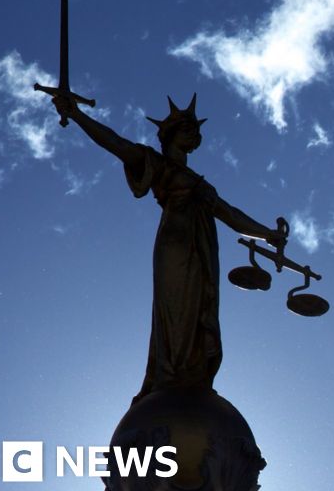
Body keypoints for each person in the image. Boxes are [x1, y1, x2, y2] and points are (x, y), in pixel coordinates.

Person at [51, 93, 286, 404]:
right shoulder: (157, 163)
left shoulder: (201, 184)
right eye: (187, 129)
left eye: (195, 130)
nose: (194, 134)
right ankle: (170, 375)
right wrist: (78, 115)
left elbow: (231, 214)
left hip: (203, 251)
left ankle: (193, 374)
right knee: (176, 310)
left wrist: (267, 234)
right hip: (175, 245)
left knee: (200, 309)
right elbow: (116, 143)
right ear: (171, 135)